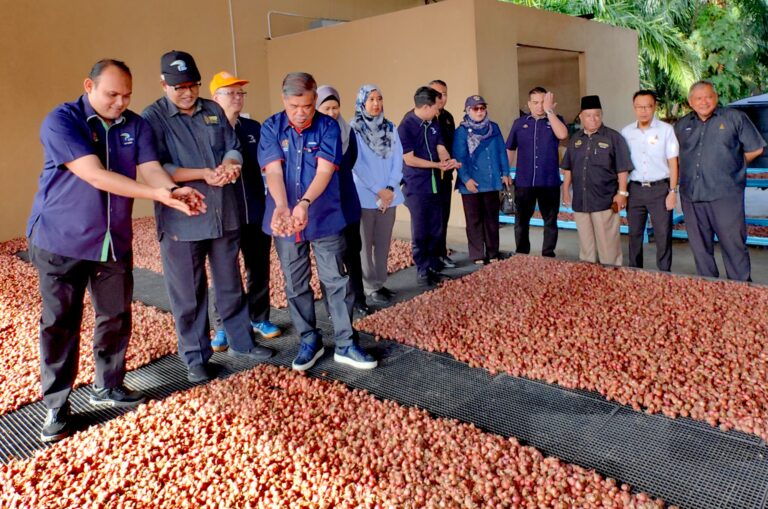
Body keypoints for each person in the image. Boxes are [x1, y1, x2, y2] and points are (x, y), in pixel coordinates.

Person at [27, 59, 206, 442]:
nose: (120, 103)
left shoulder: (136, 124)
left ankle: (108, 385)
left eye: (127, 95)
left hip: (112, 240)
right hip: (62, 239)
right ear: (88, 84)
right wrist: (155, 193)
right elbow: (94, 174)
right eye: (112, 94)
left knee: (114, 315)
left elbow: (152, 167)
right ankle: (57, 402)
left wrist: (170, 192)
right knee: (60, 320)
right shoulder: (62, 121)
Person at [142, 50, 273, 384]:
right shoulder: (152, 118)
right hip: (183, 219)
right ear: (163, 84)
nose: (187, 93)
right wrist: (201, 173)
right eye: (179, 87)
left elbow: (233, 145)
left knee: (230, 283)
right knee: (189, 292)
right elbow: (158, 167)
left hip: (222, 213)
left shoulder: (212, 109)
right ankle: (196, 357)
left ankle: (242, 341)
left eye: (193, 85)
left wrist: (231, 164)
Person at [258, 72, 377, 371]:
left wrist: (305, 203)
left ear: (315, 101)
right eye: (295, 106)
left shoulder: (328, 127)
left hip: (323, 216)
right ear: (285, 100)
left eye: (308, 106)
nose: (301, 113)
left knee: (336, 280)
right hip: (285, 220)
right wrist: (283, 206)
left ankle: (346, 343)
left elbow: (325, 171)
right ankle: (309, 339)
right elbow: (273, 170)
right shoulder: (272, 127)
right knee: (295, 283)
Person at [208, 71, 282, 351]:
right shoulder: (208, 131)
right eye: (231, 92)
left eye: (241, 92)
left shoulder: (254, 128)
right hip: (224, 215)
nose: (238, 97)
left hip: (255, 212)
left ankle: (259, 317)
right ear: (215, 98)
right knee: (225, 272)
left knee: (258, 267)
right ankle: (223, 325)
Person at [674, 81, 765, 281]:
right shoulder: (682, 125)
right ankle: (709, 289)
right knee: (700, 248)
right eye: (698, 98)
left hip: (725, 195)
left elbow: (756, 148)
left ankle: (741, 289)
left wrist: (735, 164)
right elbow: (675, 156)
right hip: (692, 195)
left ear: (716, 97)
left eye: (708, 96)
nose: (704, 102)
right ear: (690, 102)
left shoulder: (734, 118)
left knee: (733, 245)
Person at [315, 85, 371, 316]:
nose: (332, 113)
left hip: (347, 199)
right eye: (326, 108)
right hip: (325, 204)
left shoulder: (347, 132)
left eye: (335, 107)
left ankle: (358, 298)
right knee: (330, 257)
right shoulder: (313, 134)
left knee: (352, 251)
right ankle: (333, 304)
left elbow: (352, 159)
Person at [399, 86, 461, 287]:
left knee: (436, 227)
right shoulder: (406, 126)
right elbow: (409, 160)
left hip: (436, 183)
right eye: (435, 107)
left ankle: (434, 267)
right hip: (417, 186)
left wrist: (447, 160)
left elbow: (440, 146)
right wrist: (436, 165)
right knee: (421, 230)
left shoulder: (433, 122)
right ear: (425, 107)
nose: (438, 111)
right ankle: (422, 271)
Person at [561, 95, 632, 266]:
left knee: (608, 247)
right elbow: (568, 168)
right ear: (581, 116)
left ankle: (611, 278)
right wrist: (565, 191)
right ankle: (589, 281)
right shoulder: (575, 140)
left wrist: (622, 193)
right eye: (588, 115)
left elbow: (622, 168)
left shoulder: (613, 138)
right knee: (586, 247)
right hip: (581, 200)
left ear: (601, 115)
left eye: (597, 115)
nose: (593, 119)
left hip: (605, 201)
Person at [350, 84, 404, 304]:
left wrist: (390, 189)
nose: (376, 104)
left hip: (389, 197)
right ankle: (369, 285)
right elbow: (357, 164)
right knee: (365, 244)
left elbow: (397, 159)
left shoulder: (390, 128)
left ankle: (380, 283)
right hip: (365, 196)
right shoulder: (354, 129)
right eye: (371, 99)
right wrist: (378, 190)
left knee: (383, 243)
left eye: (379, 99)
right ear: (362, 103)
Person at [506, 87, 568, 257]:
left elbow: (562, 134)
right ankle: (521, 253)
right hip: (525, 181)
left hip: (549, 182)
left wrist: (550, 112)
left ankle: (548, 253)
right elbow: (510, 148)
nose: (539, 106)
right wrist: (505, 172)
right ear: (529, 104)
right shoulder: (519, 123)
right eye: (536, 102)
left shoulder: (556, 120)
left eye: (543, 102)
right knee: (521, 221)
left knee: (550, 220)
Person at [621, 90, 679, 271]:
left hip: (660, 189)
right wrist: (622, 192)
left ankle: (664, 273)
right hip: (635, 190)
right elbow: (622, 164)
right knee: (634, 235)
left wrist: (672, 191)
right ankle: (635, 272)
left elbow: (673, 163)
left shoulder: (666, 130)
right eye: (639, 107)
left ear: (655, 107)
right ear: (634, 108)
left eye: (647, 106)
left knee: (663, 235)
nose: (643, 111)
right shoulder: (626, 132)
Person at [453, 95, 512, 264]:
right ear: (467, 110)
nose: (479, 112)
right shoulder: (461, 132)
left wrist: (505, 172)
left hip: (492, 181)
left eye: (482, 108)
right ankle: (477, 254)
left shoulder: (493, 127)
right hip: (471, 183)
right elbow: (459, 157)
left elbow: (501, 150)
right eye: (475, 108)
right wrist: (466, 179)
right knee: (474, 220)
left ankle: (493, 252)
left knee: (492, 219)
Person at [429, 79, 458, 269]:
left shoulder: (448, 117)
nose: (441, 98)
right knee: (430, 217)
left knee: (443, 215)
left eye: (444, 94)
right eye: (437, 94)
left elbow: (452, 144)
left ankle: (441, 252)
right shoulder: (421, 117)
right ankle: (429, 257)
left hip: (445, 176)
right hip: (428, 176)